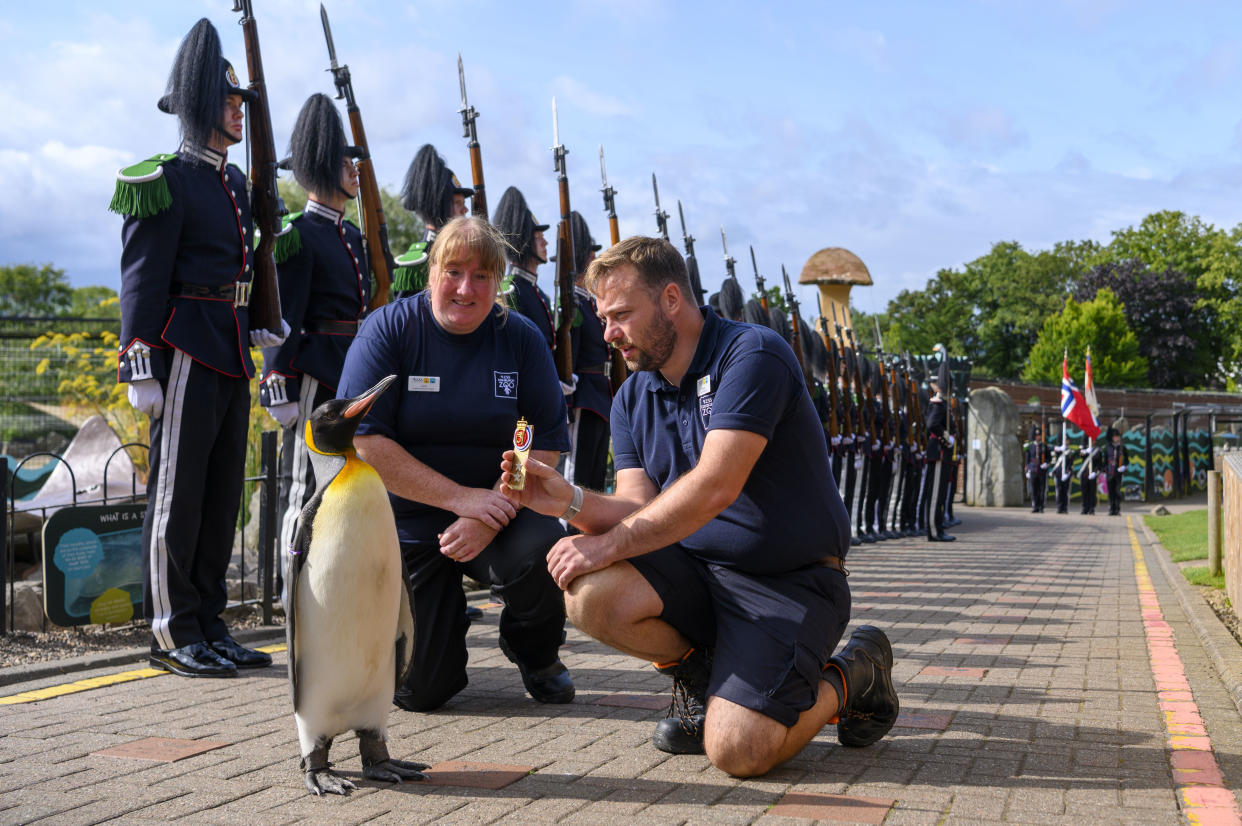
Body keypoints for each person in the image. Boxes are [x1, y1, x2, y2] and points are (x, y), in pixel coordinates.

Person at [499, 237, 898, 778]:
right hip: (697, 572)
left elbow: (715, 487)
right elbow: (638, 505)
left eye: (620, 316)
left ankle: (855, 672)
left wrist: (607, 545)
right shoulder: (632, 396)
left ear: (670, 300)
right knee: (589, 591)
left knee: (739, 751)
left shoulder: (752, 355)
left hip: (787, 582)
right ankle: (704, 676)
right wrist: (568, 500)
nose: (608, 333)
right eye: (603, 318)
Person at [338, 215, 575, 711]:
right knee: (423, 692)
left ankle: (536, 652)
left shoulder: (522, 338)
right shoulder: (389, 330)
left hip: (502, 513)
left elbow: (537, 437)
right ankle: (434, 624)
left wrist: (493, 512)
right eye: (454, 272)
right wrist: (462, 501)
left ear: (498, 282)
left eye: (483, 276)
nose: (466, 288)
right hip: (410, 523)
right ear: (431, 272)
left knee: (544, 550)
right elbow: (368, 440)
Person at [111, 18, 285, 677]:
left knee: (218, 497)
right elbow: (142, 279)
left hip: (230, 343)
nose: (240, 111)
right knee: (177, 499)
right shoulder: (165, 179)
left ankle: (211, 623)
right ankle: (171, 629)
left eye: (243, 102)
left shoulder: (235, 184)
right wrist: (139, 361)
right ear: (199, 104)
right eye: (231, 101)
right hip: (184, 344)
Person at [259, 93, 369, 579]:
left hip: (351, 373)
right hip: (312, 372)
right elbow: (285, 317)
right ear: (326, 164)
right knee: (303, 487)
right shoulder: (299, 234)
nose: (355, 170)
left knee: (349, 483)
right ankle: (293, 592)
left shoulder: (354, 238)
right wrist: (276, 379)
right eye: (347, 161)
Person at [564, 211, 611, 492]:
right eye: (591, 254)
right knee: (577, 478)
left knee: (595, 479)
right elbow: (569, 359)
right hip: (584, 399)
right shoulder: (575, 305)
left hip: (599, 397)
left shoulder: (589, 305)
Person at [391, 144, 473, 298]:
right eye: (458, 203)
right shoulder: (417, 264)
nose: (465, 210)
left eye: (464, 203)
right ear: (439, 205)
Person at [493, 186, 554, 349]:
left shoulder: (540, 293)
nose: (545, 242)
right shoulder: (510, 290)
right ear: (525, 242)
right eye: (538, 237)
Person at [1024, 423, 1050, 513]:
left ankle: (1041, 506)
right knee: (1034, 489)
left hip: (1042, 470)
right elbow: (1027, 459)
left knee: (1042, 489)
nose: (1038, 437)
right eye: (1037, 435)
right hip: (1033, 470)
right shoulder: (1030, 446)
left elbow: (1049, 458)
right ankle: (1035, 506)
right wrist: (1027, 470)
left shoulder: (1044, 446)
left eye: (1039, 435)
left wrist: (1046, 464)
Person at [1104, 426, 1129, 516]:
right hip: (1110, 473)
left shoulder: (1122, 448)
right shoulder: (1108, 447)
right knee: (1110, 492)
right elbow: (1105, 460)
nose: (1116, 438)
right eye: (1114, 436)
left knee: (1117, 492)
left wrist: (1124, 467)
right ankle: (1111, 508)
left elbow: (1127, 461)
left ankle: (1117, 509)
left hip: (1118, 473)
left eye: (1117, 436)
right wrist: (1106, 470)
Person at [1050, 424, 1073, 514]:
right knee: (1059, 491)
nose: (1067, 442)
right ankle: (1059, 507)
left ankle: (1065, 507)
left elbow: (1070, 463)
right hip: (1058, 473)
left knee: (1066, 492)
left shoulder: (1069, 452)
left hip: (1066, 474)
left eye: (1067, 440)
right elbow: (1049, 449)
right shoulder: (1057, 450)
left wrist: (1067, 473)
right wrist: (1058, 448)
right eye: (1065, 440)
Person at [1079, 435, 1101, 515]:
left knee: (1092, 492)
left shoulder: (1097, 450)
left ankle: (1092, 508)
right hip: (1085, 473)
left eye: (1094, 439)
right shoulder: (1084, 448)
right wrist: (1085, 451)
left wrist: (1095, 472)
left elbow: (1099, 464)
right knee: (1084, 491)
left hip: (1092, 473)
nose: (1093, 441)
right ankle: (1085, 508)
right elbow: (1080, 454)